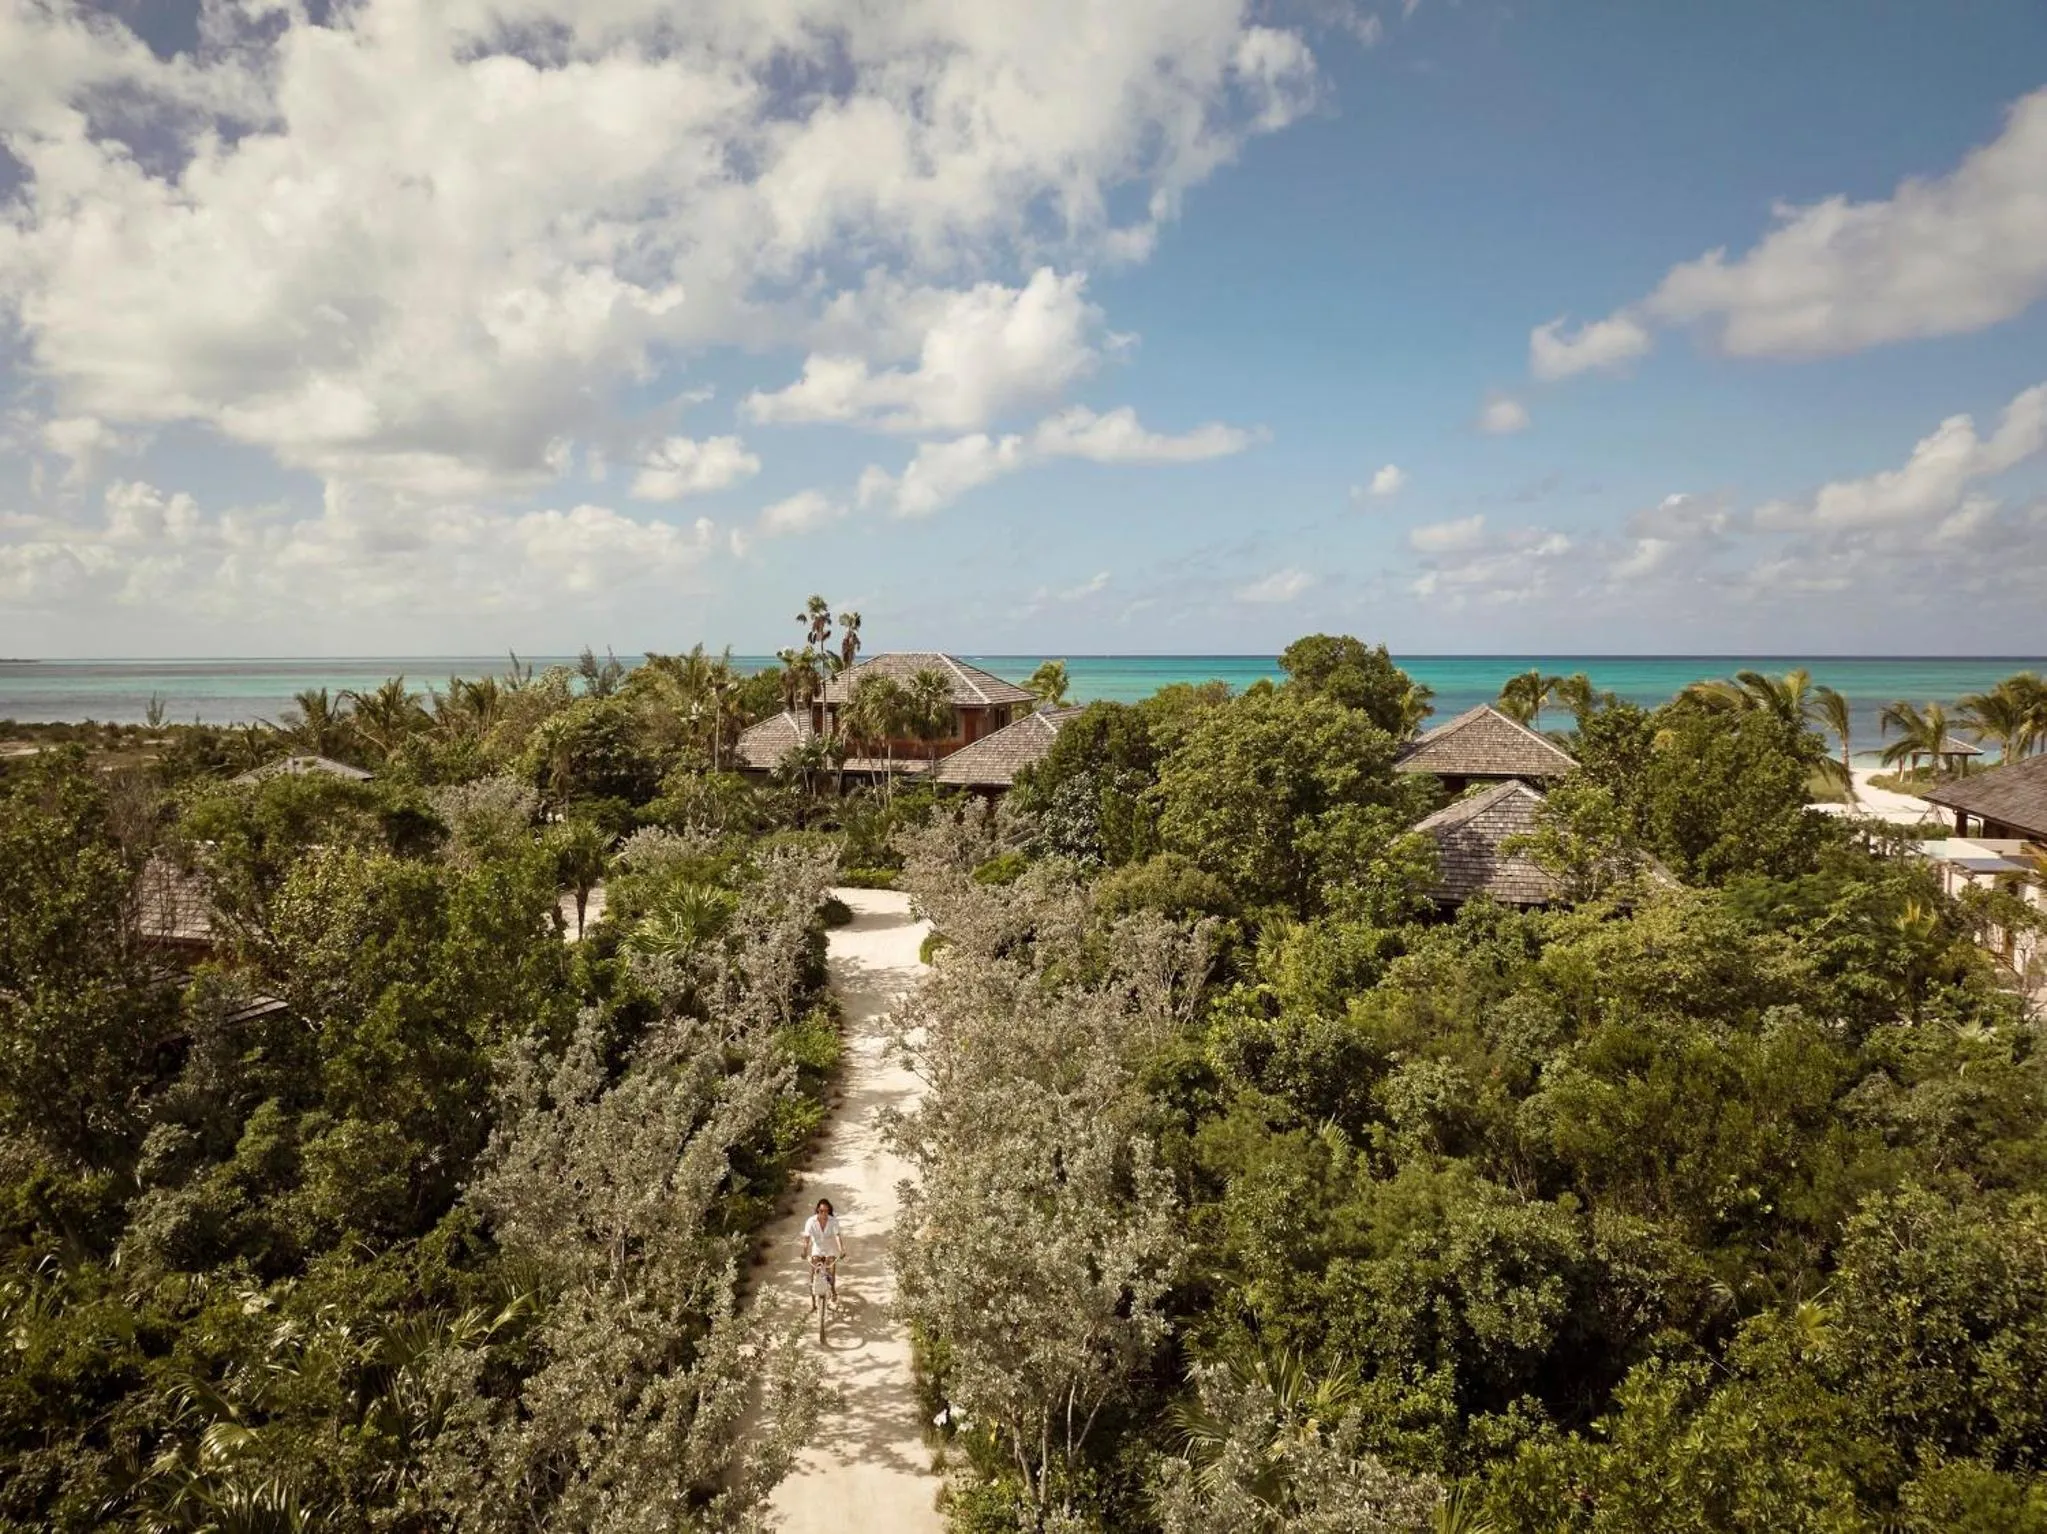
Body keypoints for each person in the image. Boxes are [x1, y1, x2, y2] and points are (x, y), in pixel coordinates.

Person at [801, 1198, 844, 1308]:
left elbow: (837, 1236)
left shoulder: (833, 1221)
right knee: (813, 1277)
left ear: (829, 1211)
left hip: (830, 1250)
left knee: (831, 1274)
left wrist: (841, 1250)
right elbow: (807, 1238)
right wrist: (804, 1251)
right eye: (821, 1211)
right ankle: (813, 1303)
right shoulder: (811, 1222)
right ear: (817, 1210)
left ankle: (833, 1290)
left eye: (826, 1211)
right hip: (817, 1250)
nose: (824, 1213)